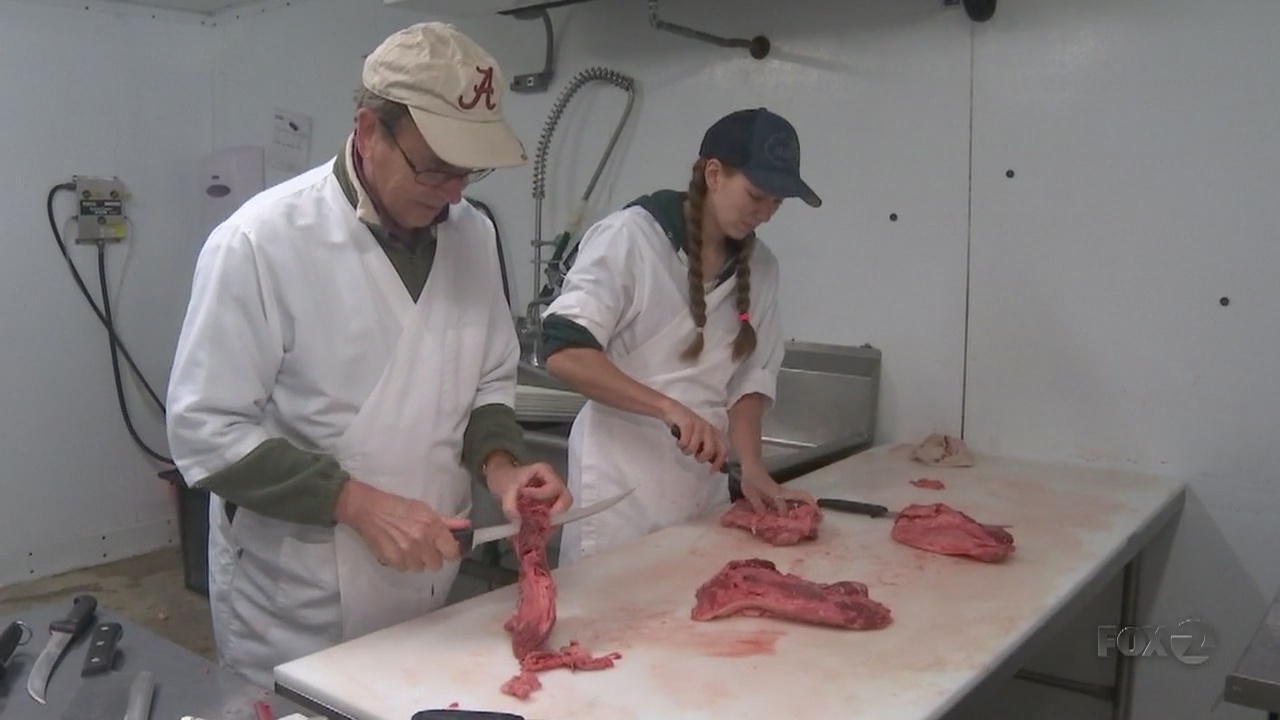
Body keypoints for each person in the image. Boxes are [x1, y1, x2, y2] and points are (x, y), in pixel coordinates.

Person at [164, 22, 572, 689]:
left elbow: (488, 380)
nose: (452, 193)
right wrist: (354, 501)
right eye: (434, 168)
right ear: (367, 130)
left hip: (430, 587)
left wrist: (502, 469)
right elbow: (204, 432)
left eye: (467, 172)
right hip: (299, 599)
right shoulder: (261, 243)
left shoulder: (472, 235)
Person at [540, 107, 820, 567]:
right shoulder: (631, 238)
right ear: (714, 174)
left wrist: (751, 466)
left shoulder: (762, 268)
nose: (765, 214)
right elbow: (564, 352)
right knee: (614, 624)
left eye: (777, 203)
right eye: (756, 196)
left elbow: (750, 379)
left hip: (699, 488)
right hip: (618, 492)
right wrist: (668, 407)